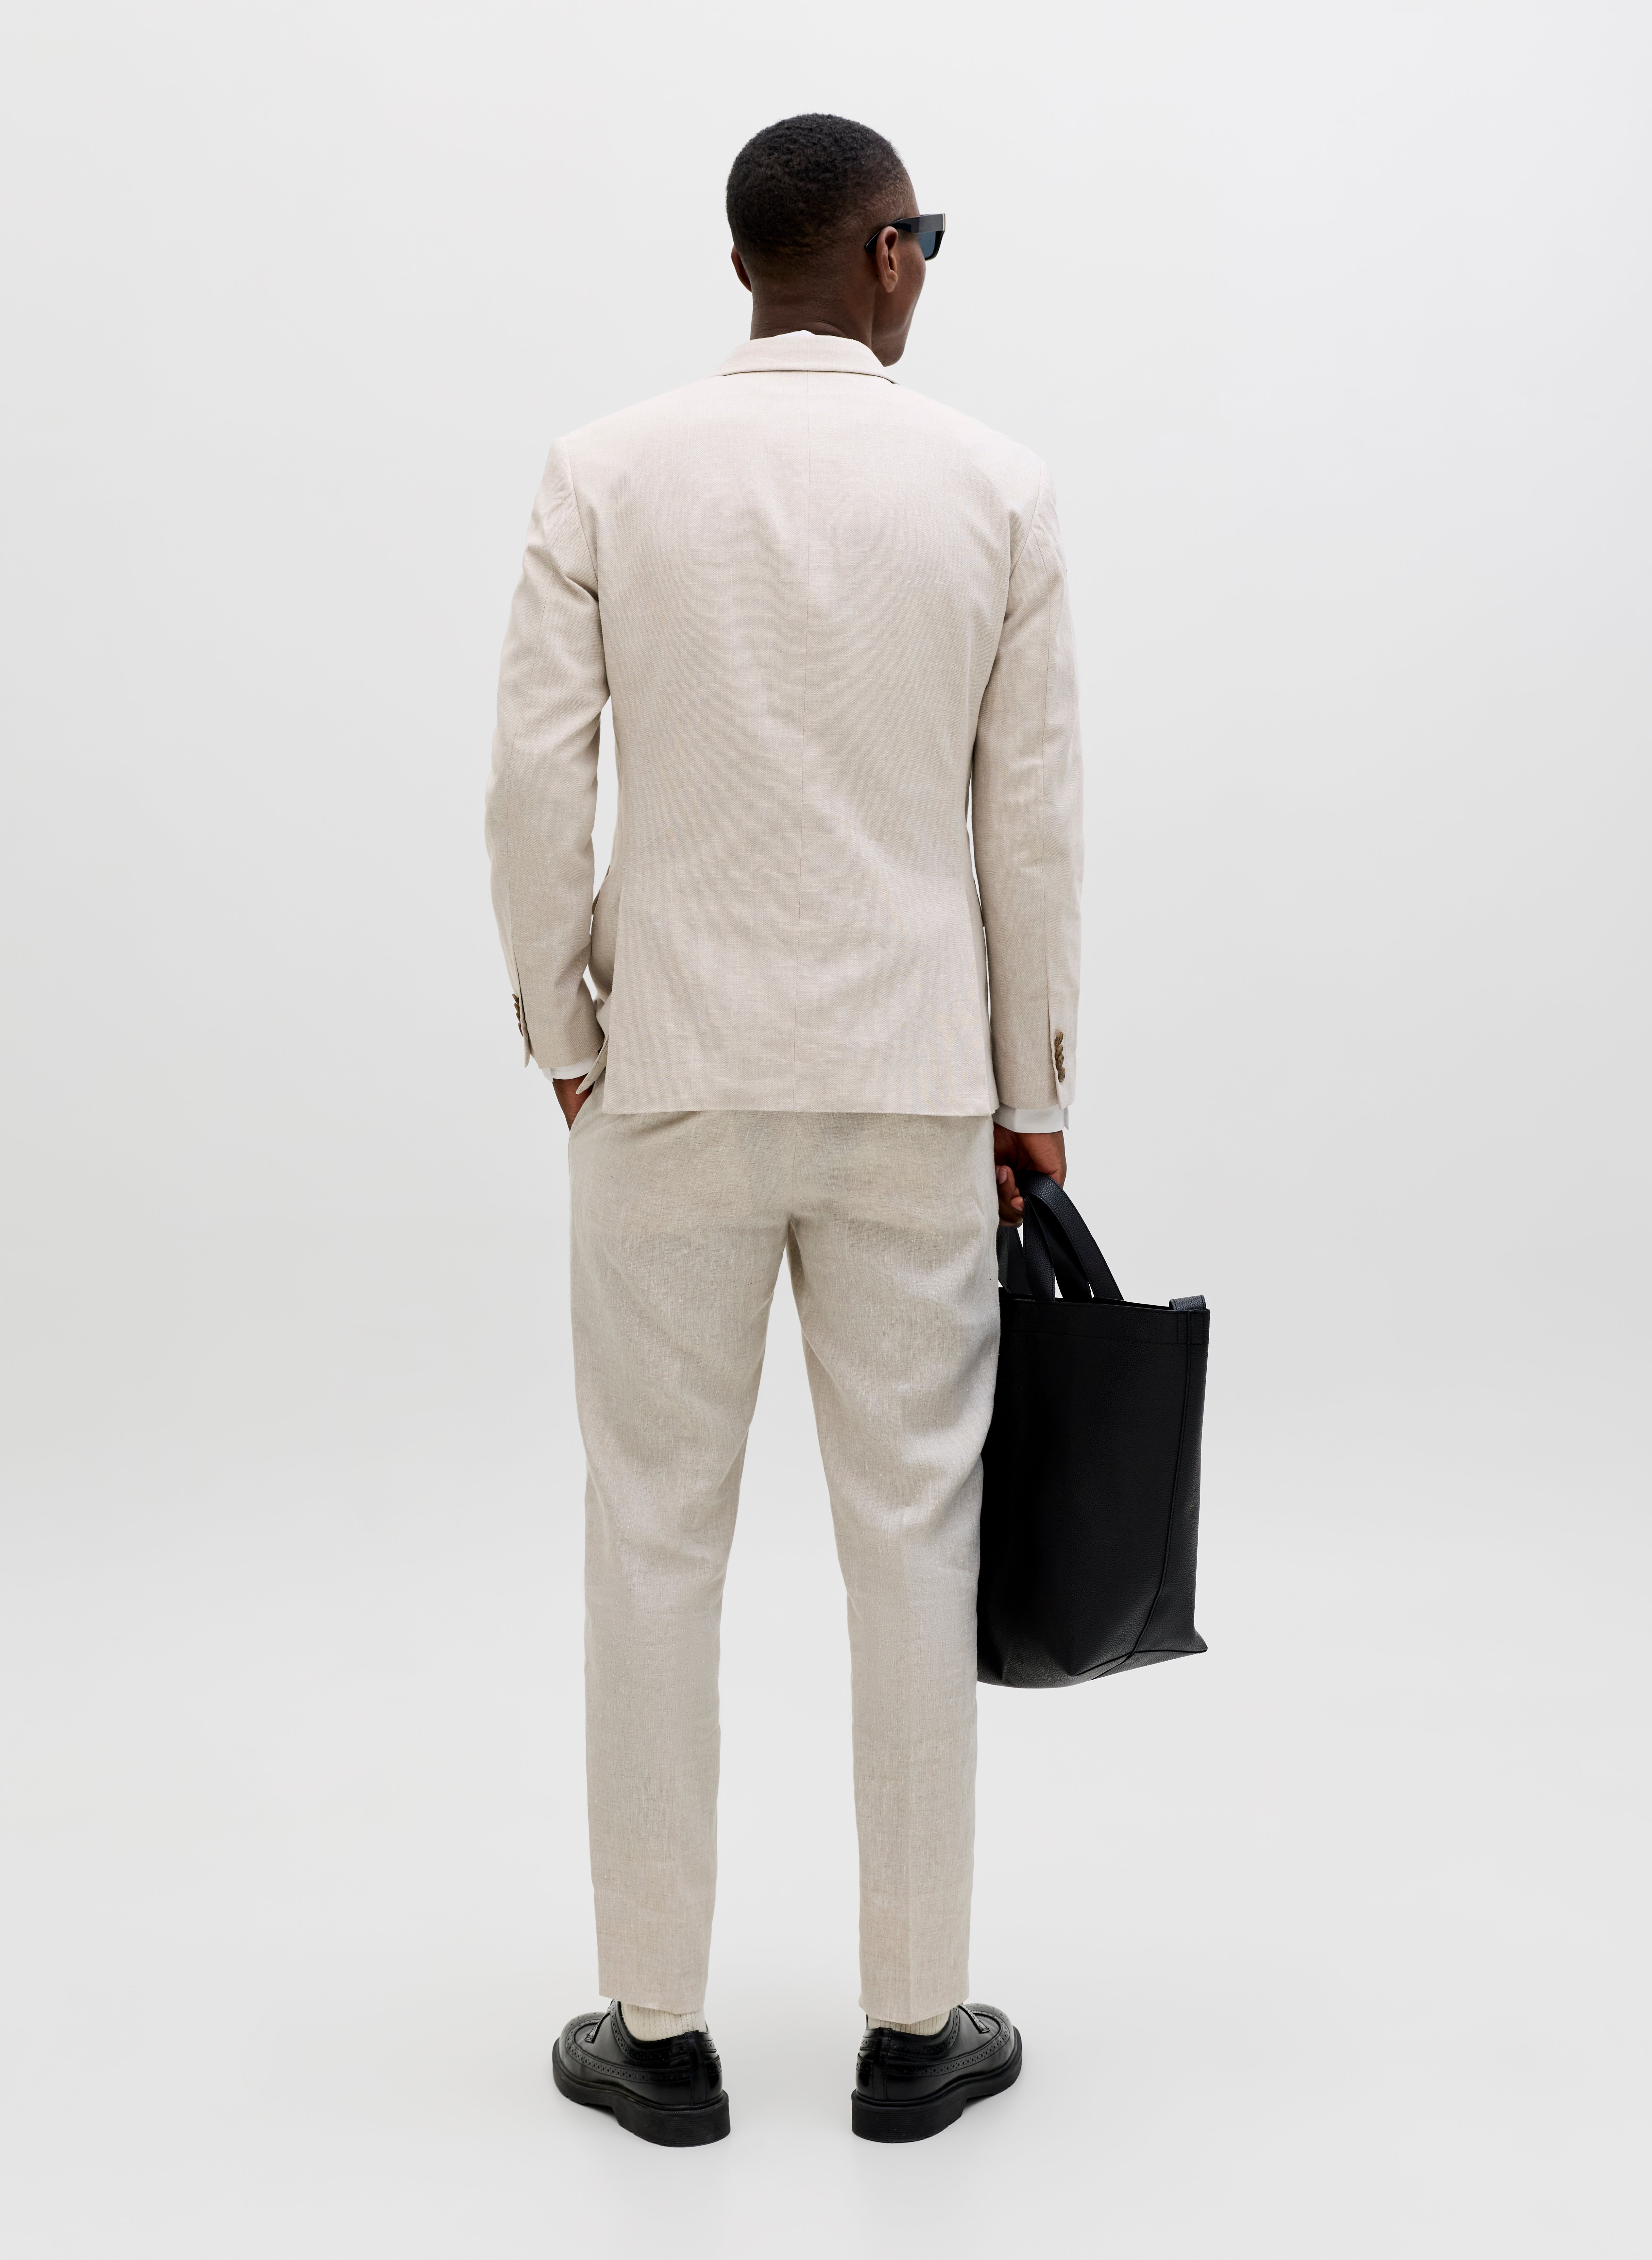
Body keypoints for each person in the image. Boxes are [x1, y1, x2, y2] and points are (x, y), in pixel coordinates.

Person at [485, 111, 1082, 2147]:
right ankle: (915, 2032)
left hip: (670, 1074)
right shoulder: (996, 487)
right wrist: (1033, 1097)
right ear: (885, 255)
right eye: (927, 240)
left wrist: (568, 1031)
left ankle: (656, 2036)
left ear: (750, 261)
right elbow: (1030, 824)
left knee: (655, 1535)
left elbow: (531, 783)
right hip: (913, 1082)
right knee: (912, 1537)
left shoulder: (606, 469)